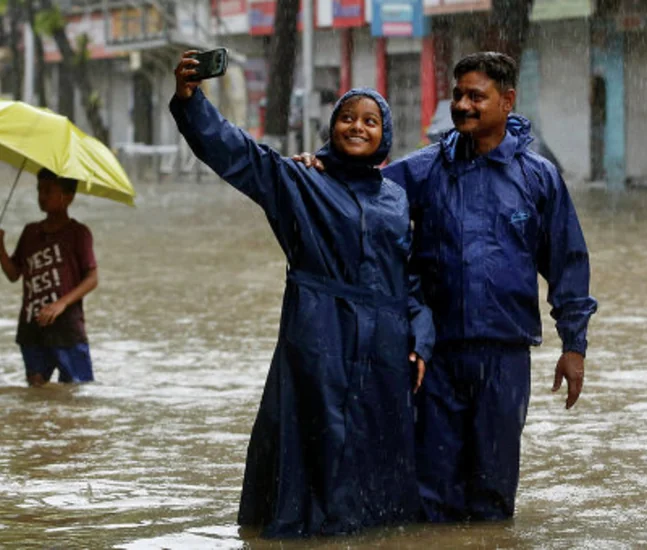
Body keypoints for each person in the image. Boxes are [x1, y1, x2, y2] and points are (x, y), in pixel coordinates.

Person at [297, 51, 597, 522]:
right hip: (434, 359)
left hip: (505, 356)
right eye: (457, 94)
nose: (463, 105)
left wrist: (574, 345)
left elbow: (568, 265)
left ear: (507, 101)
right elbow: (360, 188)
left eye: (476, 96)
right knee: (431, 492)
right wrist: (319, 166)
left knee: (493, 494)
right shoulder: (424, 169)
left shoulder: (538, 178)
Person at [169, 51, 434, 538]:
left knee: (378, 451)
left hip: (384, 342)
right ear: (331, 128)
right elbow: (239, 155)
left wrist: (420, 338)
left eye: (371, 121)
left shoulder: (396, 198)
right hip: (318, 331)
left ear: (385, 135)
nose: (358, 127)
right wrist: (191, 102)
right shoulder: (300, 179)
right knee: (316, 436)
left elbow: (410, 277)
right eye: (348, 118)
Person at [0, 169, 98, 387]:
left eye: (48, 191)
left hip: (67, 329)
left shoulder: (78, 233)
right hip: (31, 325)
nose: (41, 197)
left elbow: (92, 278)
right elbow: (14, 274)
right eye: (39, 190)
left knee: (76, 389)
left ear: (68, 196)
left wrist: (60, 304)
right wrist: (1, 250)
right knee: (36, 390)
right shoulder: (30, 232)